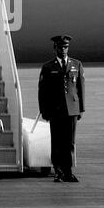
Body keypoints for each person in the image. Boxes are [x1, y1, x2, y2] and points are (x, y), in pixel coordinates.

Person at [38, 35, 85, 183]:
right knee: (57, 142)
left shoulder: (76, 64)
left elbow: (80, 88)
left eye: (65, 47)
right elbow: (42, 91)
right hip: (55, 110)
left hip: (72, 109)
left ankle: (68, 171)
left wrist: (81, 109)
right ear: (55, 48)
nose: (63, 50)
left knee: (69, 142)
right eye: (60, 47)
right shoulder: (48, 67)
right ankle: (58, 171)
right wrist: (44, 110)